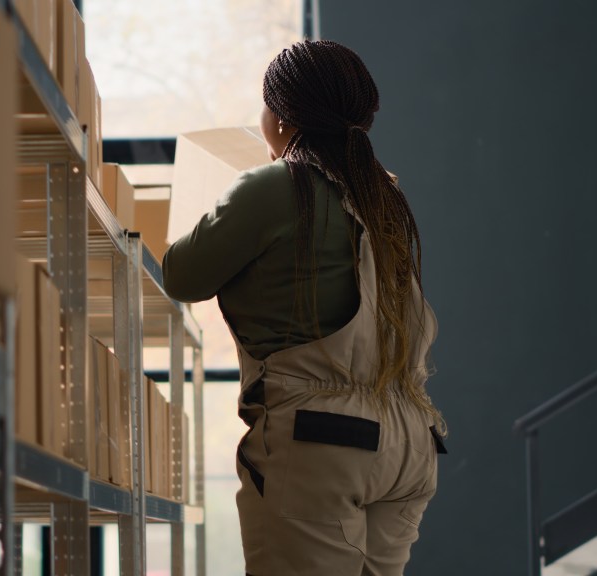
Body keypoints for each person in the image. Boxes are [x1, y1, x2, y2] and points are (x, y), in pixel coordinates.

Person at [162, 40, 446, 575]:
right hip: (408, 443)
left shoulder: (278, 186)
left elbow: (183, 275)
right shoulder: (381, 195)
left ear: (282, 115)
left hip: (324, 441)